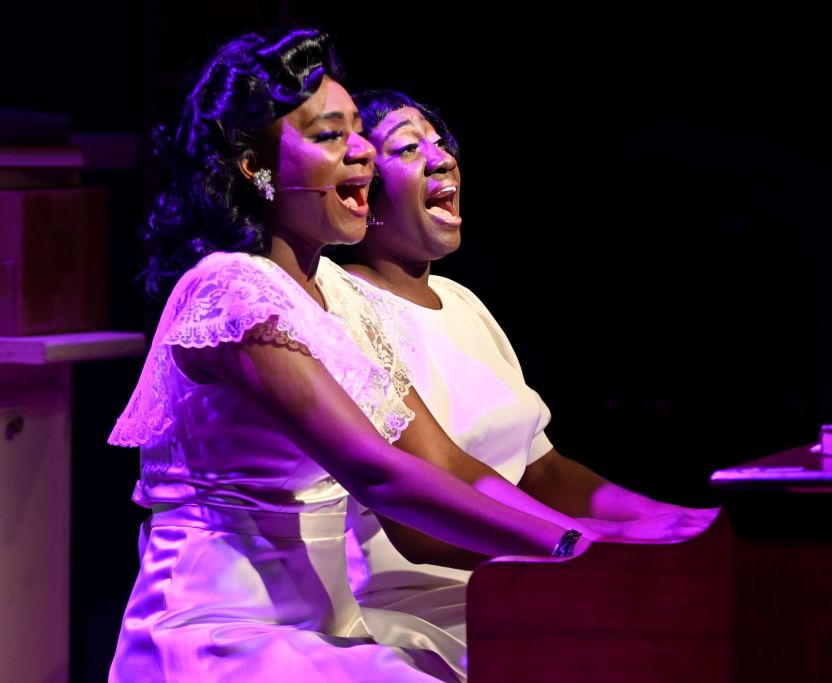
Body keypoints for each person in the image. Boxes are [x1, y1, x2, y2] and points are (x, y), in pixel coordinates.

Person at [106, 28, 606, 683]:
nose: (363, 150)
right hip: (224, 634)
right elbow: (378, 472)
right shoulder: (230, 289)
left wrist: (587, 542)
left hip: (327, 629)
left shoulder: (341, 295)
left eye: (357, 133)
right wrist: (568, 547)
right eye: (330, 136)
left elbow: (447, 461)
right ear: (254, 167)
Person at [320, 89, 720, 654]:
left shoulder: (460, 301)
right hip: (429, 610)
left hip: (533, 577)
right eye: (409, 149)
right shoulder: (344, 306)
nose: (441, 158)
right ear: (364, 190)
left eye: (441, 143)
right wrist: (595, 550)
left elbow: (542, 470)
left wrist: (672, 522)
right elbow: (426, 503)